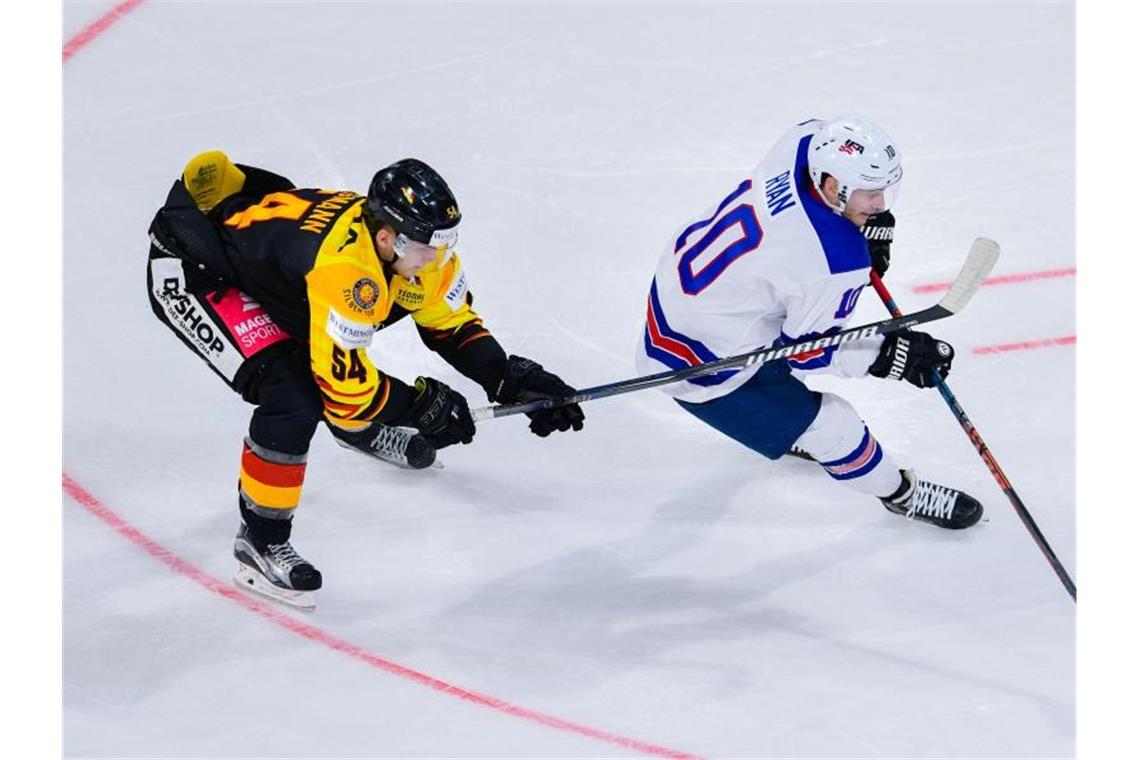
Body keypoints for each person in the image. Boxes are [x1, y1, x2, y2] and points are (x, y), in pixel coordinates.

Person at [146, 151, 585, 608]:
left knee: (346, 355)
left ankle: (355, 429)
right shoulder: (346, 271)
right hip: (197, 272)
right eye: (426, 248)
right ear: (385, 237)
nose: (436, 259)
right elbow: (345, 387)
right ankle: (260, 539)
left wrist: (507, 377)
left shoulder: (412, 253)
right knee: (293, 396)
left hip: (278, 276)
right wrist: (419, 406)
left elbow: (448, 322)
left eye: (444, 246)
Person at [635, 114, 983, 530]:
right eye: (870, 195)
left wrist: (862, 225)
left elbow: (819, 128)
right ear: (834, 187)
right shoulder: (831, 262)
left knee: (778, 314)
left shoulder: (804, 145)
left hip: (683, 300)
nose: (881, 206)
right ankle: (899, 493)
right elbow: (811, 352)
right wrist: (892, 354)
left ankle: (790, 431)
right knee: (834, 426)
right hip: (699, 368)